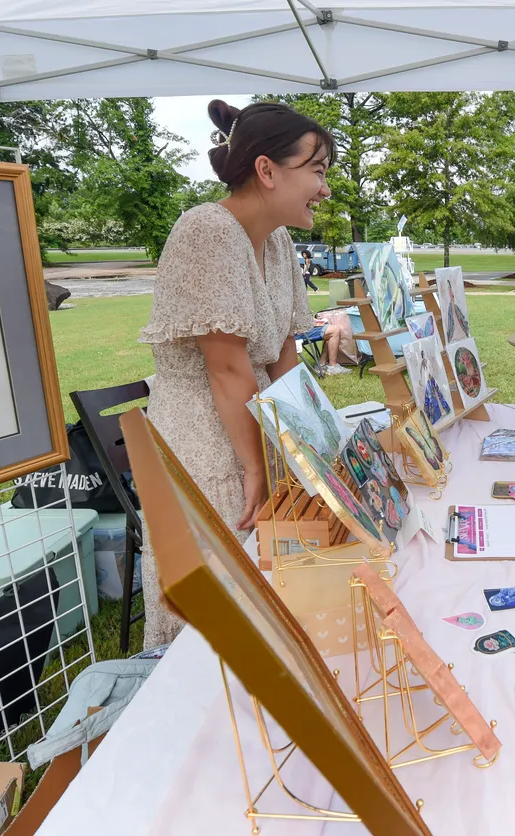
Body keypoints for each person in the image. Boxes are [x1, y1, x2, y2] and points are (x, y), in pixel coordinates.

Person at [137, 100, 334, 647]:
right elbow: (227, 369)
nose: (325, 189)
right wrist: (259, 465)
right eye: (316, 171)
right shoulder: (207, 230)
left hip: (253, 431)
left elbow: (285, 357)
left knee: (268, 594)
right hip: (210, 445)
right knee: (222, 601)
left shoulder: (278, 241)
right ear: (267, 170)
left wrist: (305, 445)